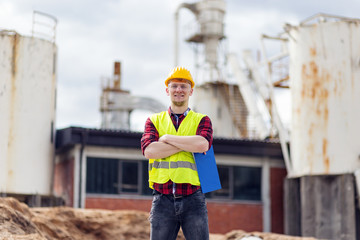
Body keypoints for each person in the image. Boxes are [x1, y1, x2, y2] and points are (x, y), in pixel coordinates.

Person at [141, 66, 213, 240]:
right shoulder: (154, 120)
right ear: (167, 90)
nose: (179, 90)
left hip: (193, 198)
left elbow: (202, 145)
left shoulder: (202, 120)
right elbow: (150, 151)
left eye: (183, 86)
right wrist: (188, 143)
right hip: (162, 199)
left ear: (191, 91)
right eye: (174, 86)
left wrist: (166, 138)